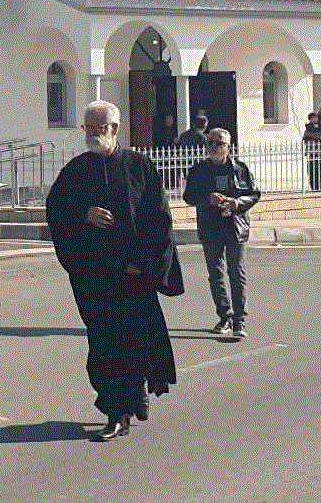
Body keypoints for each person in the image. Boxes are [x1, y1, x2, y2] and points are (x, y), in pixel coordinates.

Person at [46, 100, 180, 442]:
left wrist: (146, 263)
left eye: (99, 128)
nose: (92, 134)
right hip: (93, 275)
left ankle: (127, 404)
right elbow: (56, 211)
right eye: (87, 128)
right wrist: (83, 214)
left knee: (135, 341)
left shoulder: (139, 166)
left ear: (115, 129)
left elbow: (159, 219)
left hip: (132, 274)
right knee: (103, 343)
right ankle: (116, 406)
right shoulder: (75, 171)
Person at [182, 127, 260, 340]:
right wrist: (207, 198)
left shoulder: (240, 168)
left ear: (229, 146)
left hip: (235, 227)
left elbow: (254, 194)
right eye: (210, 143)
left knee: (237, 272)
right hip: (210, 226)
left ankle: (239, 320)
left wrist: (236, 203)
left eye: (220, 144)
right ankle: (224, 316)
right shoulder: (198, 170)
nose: (214, 148)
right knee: (216, 275)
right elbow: (188, 196)